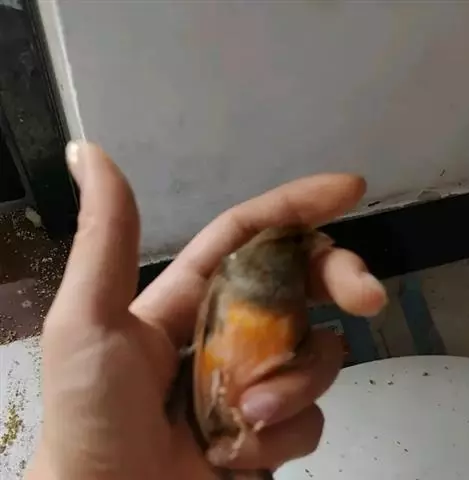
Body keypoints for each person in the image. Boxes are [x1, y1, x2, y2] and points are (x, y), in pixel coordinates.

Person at [26, 141, 387, 479]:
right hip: (206, 408)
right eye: (296, 244)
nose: (317, 244)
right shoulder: (228, 286)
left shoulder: (280, 297)